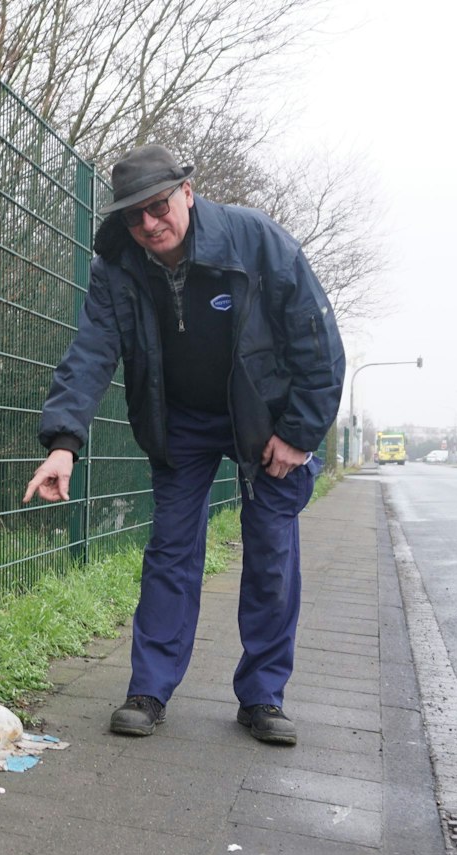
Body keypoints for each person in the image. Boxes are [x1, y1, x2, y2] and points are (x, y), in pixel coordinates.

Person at [23, 145, 344, 745]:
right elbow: (91, 354)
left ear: (186, 194)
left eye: (158, 206)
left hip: (264, 419)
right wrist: (64, 443)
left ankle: (263, 698)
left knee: (271, 550)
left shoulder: (257, 242)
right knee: (171, 549)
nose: (148, 224)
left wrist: (299, 433)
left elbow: (317, 342)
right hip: (182, 422)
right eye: (133, 216)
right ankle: (149, 688)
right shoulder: (117, 266)